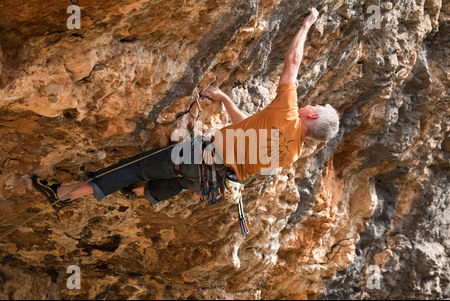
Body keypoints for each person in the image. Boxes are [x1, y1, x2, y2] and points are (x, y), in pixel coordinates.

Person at [32, 8, 339, 212]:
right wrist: (226, 101)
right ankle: (145, 193)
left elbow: (293, 62)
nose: (311, 104)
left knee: (132, 168)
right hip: (211, 181)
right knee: (177, 180)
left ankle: (62, 195)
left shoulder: (287, 111)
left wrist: (305, 25)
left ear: (311, 116)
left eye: (316, 107)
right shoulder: (292, 153)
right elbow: (248, 129)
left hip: (199, 157)